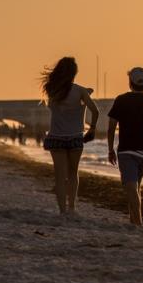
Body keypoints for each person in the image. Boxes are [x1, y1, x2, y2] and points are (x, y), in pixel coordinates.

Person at [40, 57, 99, 216]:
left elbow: (54, 104)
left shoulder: (52, 89)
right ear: (74, 73)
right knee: (73, 173)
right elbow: (96, 111)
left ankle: (62, 211)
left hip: (56, 137)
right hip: (75, 137)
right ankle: (72, 208)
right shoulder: (80, 91)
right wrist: (92, 129)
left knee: (59, 176)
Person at [107, 67, 143, 226]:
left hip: (126, 150)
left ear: (130, 82)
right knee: (135, 187)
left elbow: (111, 128)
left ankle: (138, 224)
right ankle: (134, 222)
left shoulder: (121, 100)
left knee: (131, 188)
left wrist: (110, 149)